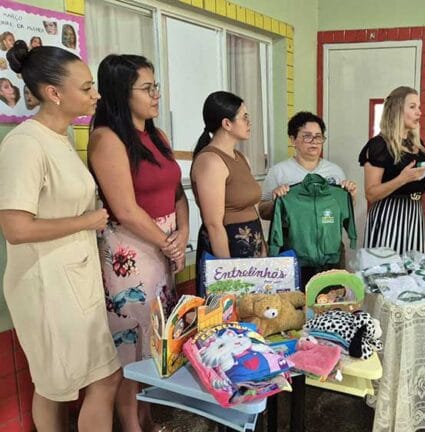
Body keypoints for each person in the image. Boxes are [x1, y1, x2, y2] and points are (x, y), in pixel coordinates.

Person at [0, 40, 121, 432]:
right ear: (54, 93)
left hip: (73, 279)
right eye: (85, 88)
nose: (95, 94)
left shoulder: (60, 138)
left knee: (62, 383)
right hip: (46, 284)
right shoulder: (24, 144)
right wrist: (87, 221)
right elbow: (16, 228)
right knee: (74, 382)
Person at [89, 54, 188, 432]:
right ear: (121, 93)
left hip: (163, 248)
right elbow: (126, 210)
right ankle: (131, 425)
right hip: (130, 254)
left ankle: (147, 418)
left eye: (155, 86)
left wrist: (182, 233)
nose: (156, 94)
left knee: (155, 339)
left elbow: (177, 191)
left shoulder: (157, 136)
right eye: (147, 88)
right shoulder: (106, 139)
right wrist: (168, 243)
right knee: (130, 343)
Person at [192, 91, 266, 295]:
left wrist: (262, 249)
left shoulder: (241, 158)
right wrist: (228, 273)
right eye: (244, 117)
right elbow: (214, 224)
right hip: (228, 247)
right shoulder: (210, 161)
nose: (249, 123)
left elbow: (252, 208)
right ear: (226, 123)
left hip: (252, 243)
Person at [358, 86, 425, 254]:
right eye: (412, 107)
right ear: (397, 110)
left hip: (414, 215)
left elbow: (416, 186)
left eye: (419, 107)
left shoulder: (417, 145)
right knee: (386, 268)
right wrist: (401, 179)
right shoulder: (379, 145)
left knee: (412, 267)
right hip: (388, 216)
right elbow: (371, 194)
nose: (419, 112)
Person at [260, 111, 356, 219]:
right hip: (292, 230)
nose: (314, 141)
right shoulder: (278, 172)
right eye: (307, 136)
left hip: (327, 229)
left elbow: (344, 212)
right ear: (293, 140)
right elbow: (263, 212)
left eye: (318, 137)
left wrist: (351, 197)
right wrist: (276, 201)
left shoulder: (335, 171)